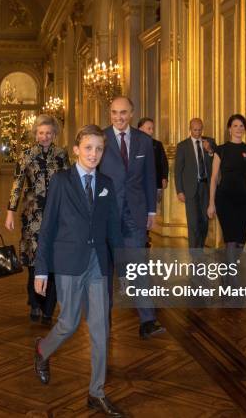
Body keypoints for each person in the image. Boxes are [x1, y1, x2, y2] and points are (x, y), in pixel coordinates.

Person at [33, 125, 125, 417]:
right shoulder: (61, 181)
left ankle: (96, 393)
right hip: (69, 262)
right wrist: (41, 270)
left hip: (98, 262)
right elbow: (46, 229)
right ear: (76, 149)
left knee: (101, 329)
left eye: (99, 149)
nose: (93, 154)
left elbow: (113, 229)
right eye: (88, 148)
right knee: (69, 323)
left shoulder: (107, 183)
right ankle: (42, 351)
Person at [99, 96, 165, 339]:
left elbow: (150, 177)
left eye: (123, 112)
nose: (119, 117)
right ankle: (103, 322)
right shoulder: (100, 139)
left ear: (132, 113)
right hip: (106, 214)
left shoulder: (144, 141)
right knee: (105, 270)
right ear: (110, 113)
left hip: (135, 214)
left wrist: (151, 212)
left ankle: (148, 321)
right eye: (115, 112)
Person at [5, 114, 70, 325]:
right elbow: (17, 185)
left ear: (54, 134)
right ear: (35, 133)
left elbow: (69, 184)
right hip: (32, 216)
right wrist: (10, 212)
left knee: (54, 261)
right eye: (41, 133)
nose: (44, 137)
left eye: (49, 133)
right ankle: (34, 302)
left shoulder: (61, 155)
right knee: (34, 262)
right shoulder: (26, 155)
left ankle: (49, 308)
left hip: (58, 215)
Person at [207, 114, 246, 262]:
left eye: (242, 126)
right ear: (229, 129)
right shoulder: (221, 150)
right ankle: (232, 276)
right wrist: (211, 203)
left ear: (245, 129)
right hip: (224, 199)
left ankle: (229, 268)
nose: (239, 128)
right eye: (235, 125)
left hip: (242, 200)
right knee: (231, 239)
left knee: (240, 240)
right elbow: (213, 178)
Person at [174, 118, 216, 249]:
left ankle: (200, 248)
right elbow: (178, 170)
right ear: (190, 129)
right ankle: (194, 254)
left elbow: (216, 163)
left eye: (200, 130)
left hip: (206, 187)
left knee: (204, 221)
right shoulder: (182, 146)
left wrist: (209, 151)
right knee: (193, 222)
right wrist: (179, 190)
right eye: (195, 130)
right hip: (190, 189)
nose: (197, 133)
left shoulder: (210, 142)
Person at [137, 117, 168, 196]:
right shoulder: (133, 144)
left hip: (156, 183)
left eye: (152, 128)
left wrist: (164, 178)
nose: (152, 131)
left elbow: (163, 162)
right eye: (149, 128)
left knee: (155, 207)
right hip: (138, 185)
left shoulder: (157, 144)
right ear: (140, 129)